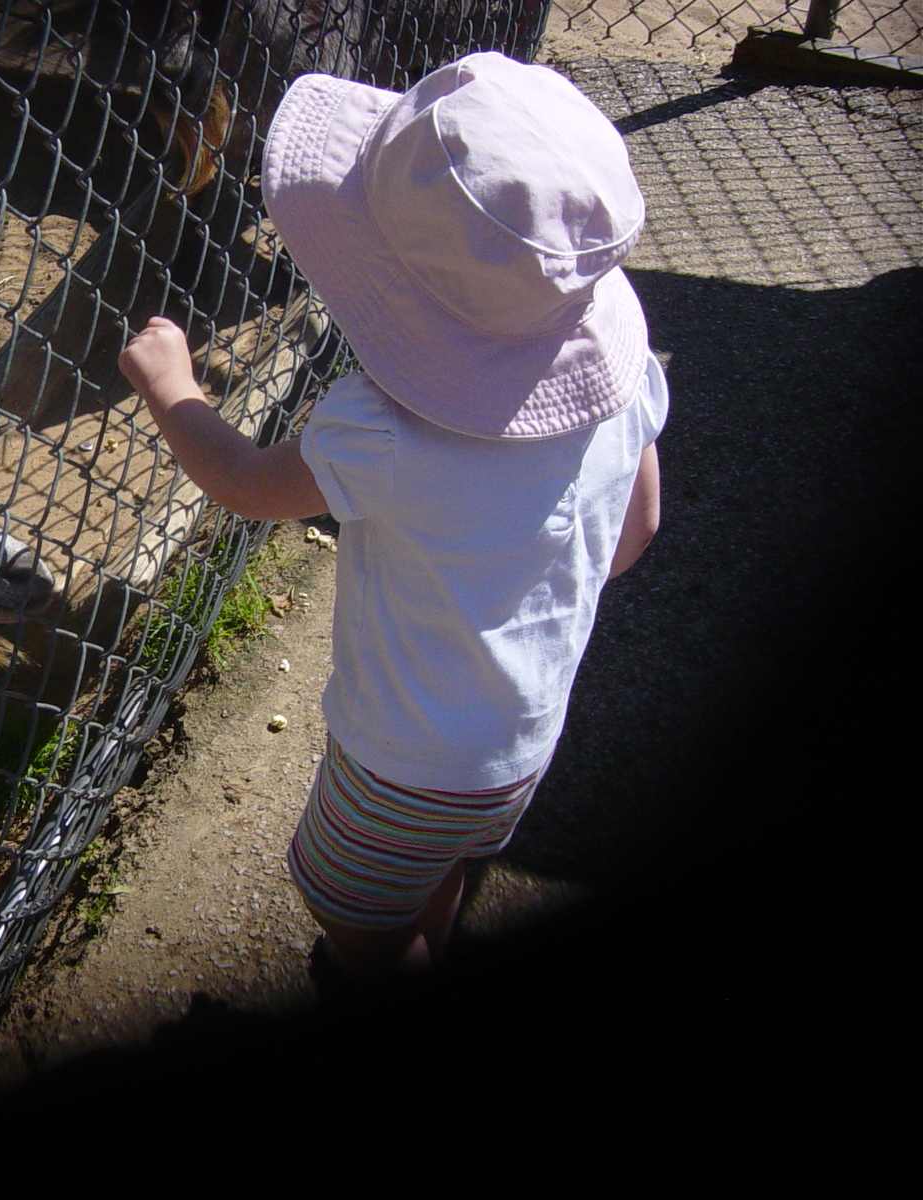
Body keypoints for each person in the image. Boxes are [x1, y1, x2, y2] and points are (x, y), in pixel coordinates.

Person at [118, 52, 666, 985]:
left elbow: (244, 481)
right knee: (435, 867)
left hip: (401, 763)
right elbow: (632, 537)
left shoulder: (383, 431)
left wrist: (173, 388)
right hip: (524, 735)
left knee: (346, 905)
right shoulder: (617, 375)